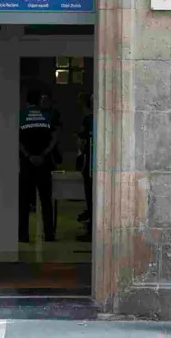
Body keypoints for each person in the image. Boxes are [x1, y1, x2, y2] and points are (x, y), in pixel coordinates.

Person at [18, 89, 58, 243]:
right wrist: (43, 155)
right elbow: (55, 138)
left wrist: (28, 156)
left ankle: (23, 235)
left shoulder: (21, 116)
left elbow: (17, 140)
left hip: (27, 164)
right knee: (46, 200)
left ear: (26, 101)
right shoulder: (47, 116)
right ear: (39, 100)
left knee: (24, 201)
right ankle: (49, 234)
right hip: (44, 164)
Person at [75, 92, 93, 242]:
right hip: (92, 164)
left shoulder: (88, 120)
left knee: (91, 197)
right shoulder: (94, 120)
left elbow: (81, 142)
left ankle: (91, 231)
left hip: (90, 164)